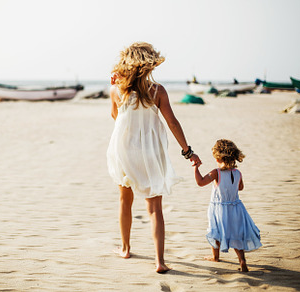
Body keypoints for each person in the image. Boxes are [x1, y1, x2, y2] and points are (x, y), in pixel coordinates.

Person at [107, 42, 201, 273]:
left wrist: (118, 89)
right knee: (155, 208)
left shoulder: (116, 89)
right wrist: (187, 151)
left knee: (124, 200)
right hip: (150, 151)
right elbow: (172, 122)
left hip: (124, 150)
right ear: (149, 66)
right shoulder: (158, 91)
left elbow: (115, 116)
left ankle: (126, 248)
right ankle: (159, 261)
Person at [193, 139, 262, 272]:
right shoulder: (237, 173)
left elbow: (200, 182)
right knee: (236, 235)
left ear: (218, 158)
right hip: (236, 208)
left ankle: (215, 257)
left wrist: (196, 168)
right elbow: (240, 188)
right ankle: (242, 260)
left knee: (215, 231)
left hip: (219, 209)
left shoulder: (216, 173)